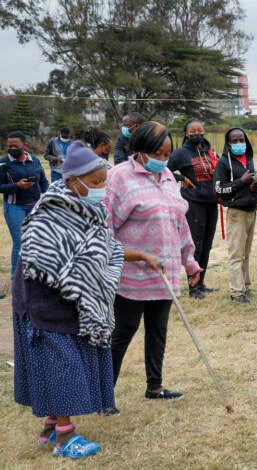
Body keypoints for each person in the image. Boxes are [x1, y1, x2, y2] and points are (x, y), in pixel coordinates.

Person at [13, 141, 160, 459]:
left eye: (103, 183)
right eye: (94, 184)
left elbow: (103, 249)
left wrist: (141, 255)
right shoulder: (49, 213)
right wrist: (84, 277)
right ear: (72, 181)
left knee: (69, 365)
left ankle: (52, 424)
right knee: (59, 367)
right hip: (47, 304)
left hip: (74, 306)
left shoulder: (88, 210)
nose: (100, 189)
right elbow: (49, 261)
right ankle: (65, 438)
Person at [106, 121, 202, 403]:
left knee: (158, 329)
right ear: (141, 151)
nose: (163, 160)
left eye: (167, 154)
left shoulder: (169, 178)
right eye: (158, 154)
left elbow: (179, 222)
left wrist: (190, 262)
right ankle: (103, 393)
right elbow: (105, 228)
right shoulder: (119, 177)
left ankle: (155, 386)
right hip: (131, 273)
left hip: (165, 270)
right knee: (123, 331)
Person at [168, 119, 219, 298]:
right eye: (193, 130)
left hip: (212, 202)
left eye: (200, 129)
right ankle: (193, 287)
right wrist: (181, 178)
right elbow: (164, 170)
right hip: (194, 203)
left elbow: (219, 169)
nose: (197, 132)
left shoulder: (211, 151)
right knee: (195, 245)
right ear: (187, 134)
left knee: (207, 244)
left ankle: (202, 282)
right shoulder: (181, 153)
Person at [214, 127, 257, 304]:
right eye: (235, 141)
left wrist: (254, 187)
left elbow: (250, 182)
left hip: (251, 210)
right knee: (236, 253)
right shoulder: (223, 163)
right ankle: (236, 291)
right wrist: (242, 182)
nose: (239, 143)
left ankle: (246, 286)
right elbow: (218, 189)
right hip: (236, 213)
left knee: (246, 252)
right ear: (228, 143)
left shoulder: (248, 159)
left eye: (241, 140)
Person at [0, 131, 49, 278]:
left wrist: (47, 196)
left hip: (35, 206)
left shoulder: (34, 160)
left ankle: (35, 275)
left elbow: (43, 181)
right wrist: (16, 186)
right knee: (20, 241)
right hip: (15, 207)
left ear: (24, 145)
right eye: (10, 146)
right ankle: (16, 278)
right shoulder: (3, 163)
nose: (12, 148)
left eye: (16, 145)